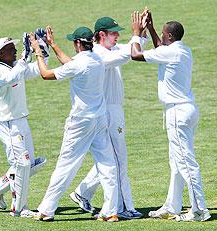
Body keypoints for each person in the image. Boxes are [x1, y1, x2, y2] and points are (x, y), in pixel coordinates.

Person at [29, 26, 119, 222]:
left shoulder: (79, 64)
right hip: (99, 119)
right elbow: (71, 63)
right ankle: (110, 211)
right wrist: (53, 45)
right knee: (107, 164)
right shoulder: (96, 59)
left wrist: (38, 51)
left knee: (66, 165)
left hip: (80, 122)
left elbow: (46, 74)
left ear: (78, 43)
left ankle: (46, 210)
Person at [130, 10, 211, 222]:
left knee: (185, 162)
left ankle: (200, 210)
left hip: (177, 112)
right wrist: (152, 28)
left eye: (164, 35)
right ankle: (172, 206)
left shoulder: (170, 52)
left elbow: (135, 55)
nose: (163, 38)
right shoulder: (183, 50)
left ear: (170, 37)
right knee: (176, 162)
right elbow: (161, 48)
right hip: (187, 110)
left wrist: (137, 34)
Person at [69, 16, 148, 219]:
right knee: (118, 160)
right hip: (106, 111)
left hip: (114, 110)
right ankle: (123, 208)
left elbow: (133, 49)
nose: (117, 36)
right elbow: (128, 54)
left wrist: (144, 31)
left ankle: (82, 192)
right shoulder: (97, 55)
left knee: (111, 159)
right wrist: (136, 35)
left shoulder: (110, 49)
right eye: (114, 33)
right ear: (101, 35)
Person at [0, 32, 48, 217]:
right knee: (22, 164)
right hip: (9, 124)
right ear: (0, 54)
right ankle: (19, 209)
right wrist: (24, 56)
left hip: (22, 122)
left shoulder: (17, 66)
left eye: (14, 48)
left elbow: (39, 69)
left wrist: (42, 48)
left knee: (29, 165)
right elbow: (11, 78)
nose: (14, 51)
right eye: (9, 49)